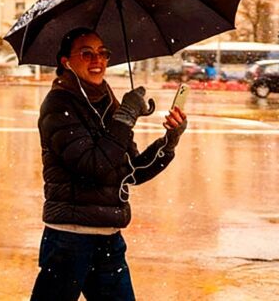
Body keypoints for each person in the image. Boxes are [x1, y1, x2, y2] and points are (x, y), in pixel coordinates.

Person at [31, 27, 188, 300]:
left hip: (108, 237)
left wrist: (169, 141)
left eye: (103, 53)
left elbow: (132, 170)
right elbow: (93, 165)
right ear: (66, 62)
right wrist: (126, 116)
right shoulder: (59, 105)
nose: (98, 60)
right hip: (69, 237)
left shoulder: (108, 103)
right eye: (87, 53)